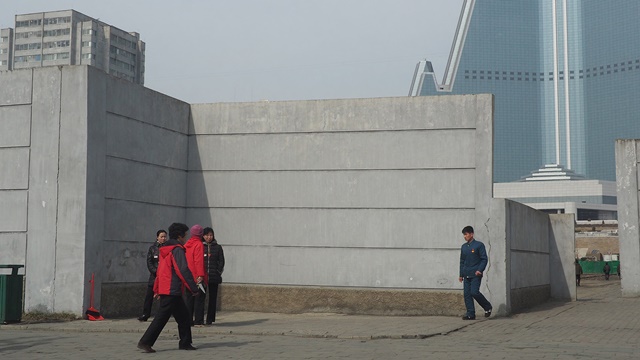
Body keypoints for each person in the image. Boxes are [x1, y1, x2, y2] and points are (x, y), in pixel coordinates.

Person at [137, 223, 199, 353]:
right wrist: (193, 288)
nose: (186, 237)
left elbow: (160, 271)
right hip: (172, 289)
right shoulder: (176, 250)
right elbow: (183, 270)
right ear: (179, 236)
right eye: (185, 235)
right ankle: (145, 341)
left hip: (168, 288)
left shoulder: (165, 249)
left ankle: (185, 342)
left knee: (184, 317)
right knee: (161, 317)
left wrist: (157, 288)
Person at [459, 225, 492, 320]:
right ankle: (470, 314)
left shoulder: (479, 245)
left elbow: (484, 259)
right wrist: (461, 274)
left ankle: (487, 307)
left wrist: (479, 270)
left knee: (474, 292)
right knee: (467, 294)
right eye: (464, 235)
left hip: (476, 274)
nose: (465, 236)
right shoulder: (464, 247)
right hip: (466, 274)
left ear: (472, 234)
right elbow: (462, 261)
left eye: (466, 234)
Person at [194, 227, 225, 325]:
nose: (209, 237)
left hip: (213, 277)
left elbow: (221, 261)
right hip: (202, 278)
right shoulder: (200, 246)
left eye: (211, 235)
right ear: (203, 236)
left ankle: (210, 319)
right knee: (200, 298)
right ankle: (199, 318)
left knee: (213, 298)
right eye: (207, 235)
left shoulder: (218, 247)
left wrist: (218, 271)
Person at [138, 229, 167, 322]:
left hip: (164, 276)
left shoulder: (167, 247)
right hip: (154, 276)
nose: (163, 238)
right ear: (157, 237)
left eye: (165, 236)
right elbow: (149, 262)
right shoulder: (153, 248)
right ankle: (145, 314)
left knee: (164, 297)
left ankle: (162, 315)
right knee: (149, 296)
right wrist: (155, 271)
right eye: (162, 236)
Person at [184, 224, 205, 325]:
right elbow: (198, 261)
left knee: (189, 299)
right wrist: (200, 275)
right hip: (196, 275)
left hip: (188, 275)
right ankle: (198, 320)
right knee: (199, 299)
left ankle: (188, 320)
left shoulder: (187, 244)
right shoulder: (199, 244)